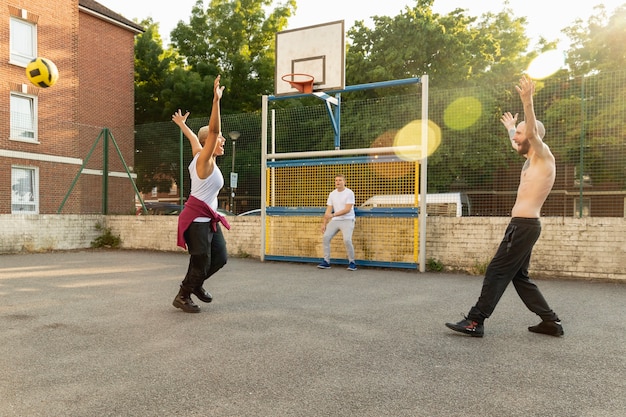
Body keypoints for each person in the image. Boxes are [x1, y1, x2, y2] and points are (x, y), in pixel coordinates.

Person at [445, 75, 563, 337]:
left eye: (521, 133)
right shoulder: (529, 158)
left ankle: (475, 321)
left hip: (524, 226)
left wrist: (528, 102)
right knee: (519, 276)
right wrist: (511, 127)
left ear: (532, 136)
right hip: (524, 226)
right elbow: (517, 141)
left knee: (497, 270)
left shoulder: (544, 156)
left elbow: (530, 133)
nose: (517, 137)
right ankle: (550, 322)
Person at [171, 75, 230, 313]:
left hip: (209, 220)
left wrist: (182, 124)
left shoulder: (201, 154)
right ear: (210, 143)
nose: (222, 140)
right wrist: (216, 101)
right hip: (197, 222)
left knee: (220, 258)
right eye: (219, 140)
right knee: (200, 261)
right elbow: (212, 130)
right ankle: (183, 295)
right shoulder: (204, 161)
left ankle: (194, 285)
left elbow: (195, 138)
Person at [318, 174, 357, 271]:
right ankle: (326, 261)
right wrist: (324, 223)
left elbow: (347, 209)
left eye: (340, 180)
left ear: (344, 182)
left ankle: (352, 262)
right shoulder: (332, 194)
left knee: (347, 240)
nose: (338, 182)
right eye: (336, 180)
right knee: (326, 237)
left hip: (348, 219)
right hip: (335, 220)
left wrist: (333, 215)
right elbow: (328, 210)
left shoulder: (349, 193)